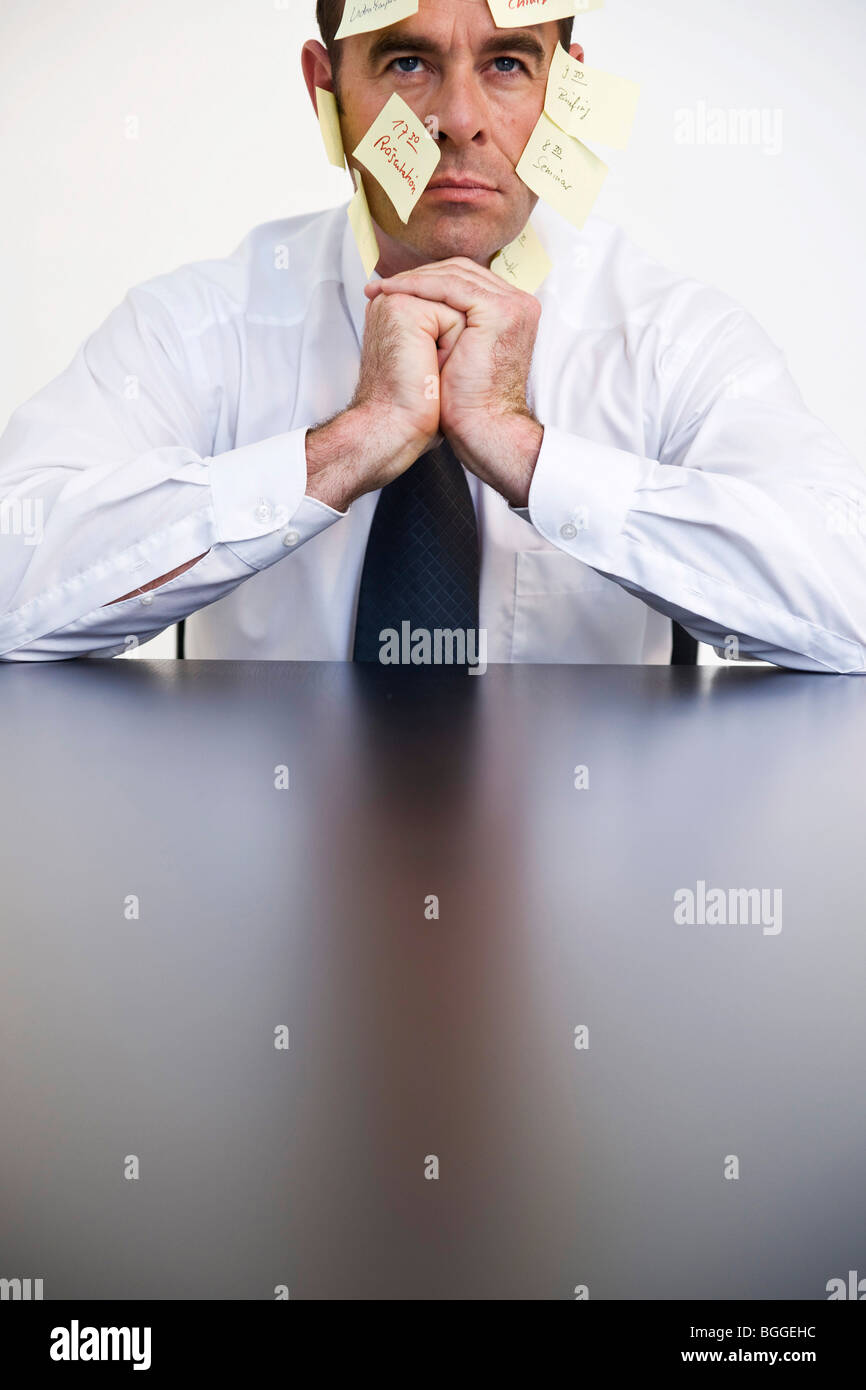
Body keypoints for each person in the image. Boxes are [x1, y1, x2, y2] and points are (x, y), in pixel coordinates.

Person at [0, 0, 864, 670]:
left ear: (566, 87)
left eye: (509, 63)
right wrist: (339, 453)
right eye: (408, 60)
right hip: (261, 883)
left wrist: (533, 458)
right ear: (326, 88)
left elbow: (849, 611)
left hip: (586, 888)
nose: (458, 117)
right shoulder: (196, 325)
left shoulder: (673, 338)